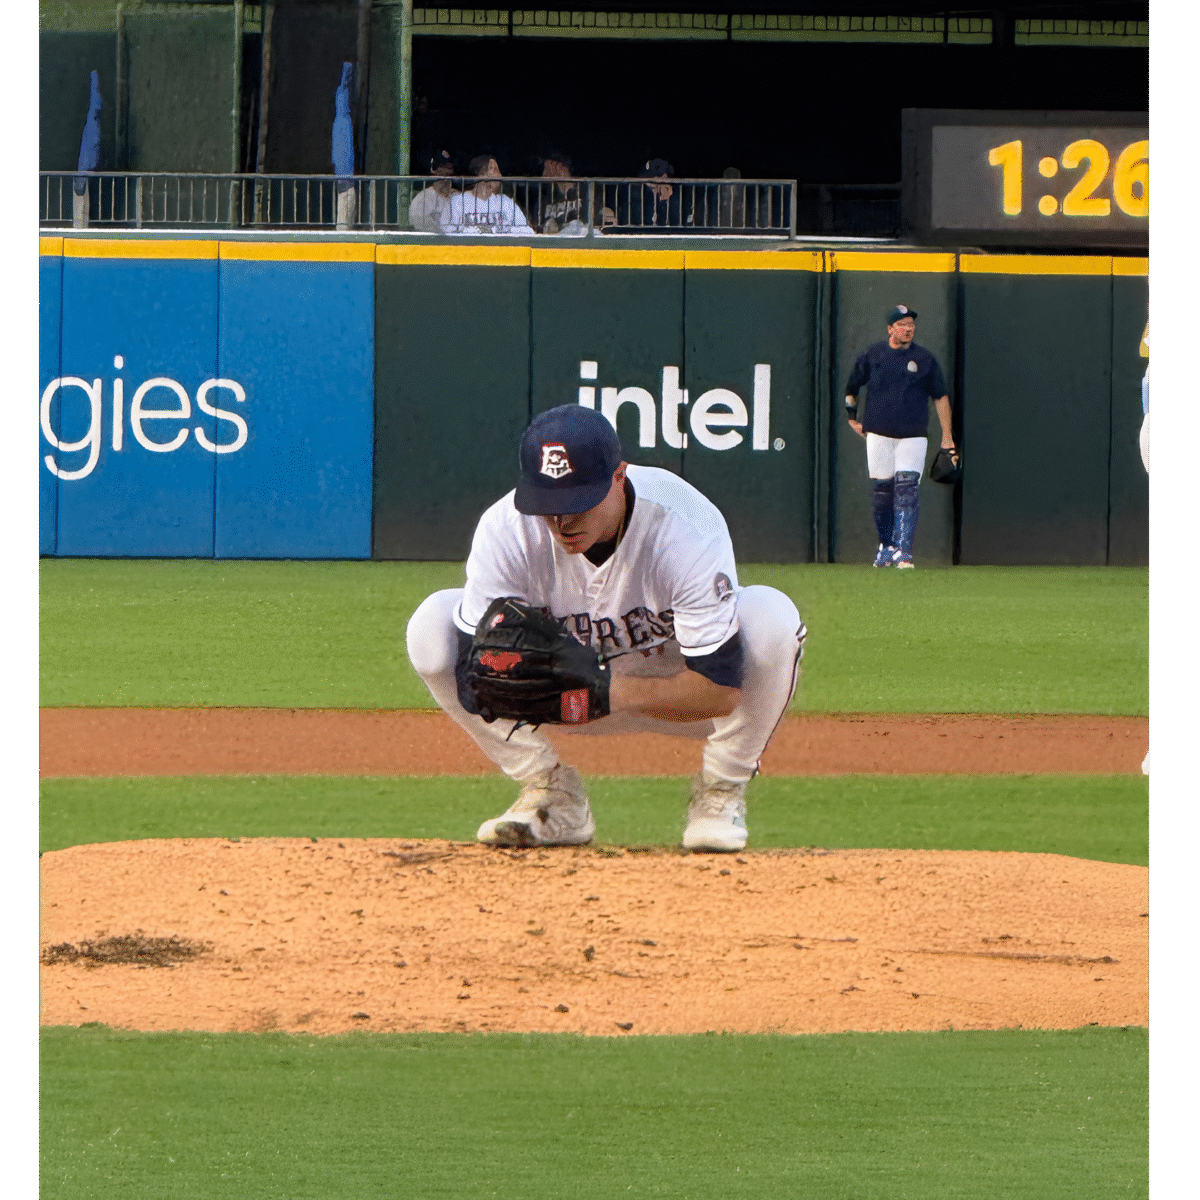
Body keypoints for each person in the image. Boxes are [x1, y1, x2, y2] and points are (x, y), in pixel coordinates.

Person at [405, 404, 807, 852]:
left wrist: (605, 687)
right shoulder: (506, 531)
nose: (562, 522)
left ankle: (720, 793)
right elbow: (472, 681)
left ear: (619, 476)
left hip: (685, 696)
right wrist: (524, 679)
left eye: (577, 503)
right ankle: (550, 795)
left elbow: (720, 691)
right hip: (567, 698)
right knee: (430, 628)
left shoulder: (684, 525)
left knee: (772, 616)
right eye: (548, 505)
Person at [844, 305, 957, 568]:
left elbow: (940, 397)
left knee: (907, 488)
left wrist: (947, 437)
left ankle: (904, 552)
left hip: (912, 434)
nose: (908, 329)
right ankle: (886, 547)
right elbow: (852, 387)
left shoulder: (924, 359)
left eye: (911, 325)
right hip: (879, 433)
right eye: (902, 325)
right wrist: (852, 417)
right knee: (882, 492)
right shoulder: (873, 355)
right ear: (890, 329)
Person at [439, 154, 533, 236]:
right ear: (481, 175)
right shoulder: (458, 202)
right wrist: (471, 232)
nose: (499, 176)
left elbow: (527, 231)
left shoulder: (506, 202)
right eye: (494, 170)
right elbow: (445, 231)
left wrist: (505, 231)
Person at [531, 152, 615, 236]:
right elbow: (537, 225)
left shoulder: (585, 189)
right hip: (559, 238)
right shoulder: (545, 198)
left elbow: (597, 214)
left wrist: (603, 214)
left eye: (547, 168)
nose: (544, 174)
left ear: (559, 167)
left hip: (582, 236)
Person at [617, 159, 689, 231]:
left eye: (649, 180)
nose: (644, 182)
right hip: (641, 233)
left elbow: (677, 222)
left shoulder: (677, 196)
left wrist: (665, 201)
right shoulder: (639, 193)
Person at [408, 150, 458, 234]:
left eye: (450, 166)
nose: (448, 168)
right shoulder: (423, 198)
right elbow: (420, 226)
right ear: (433, 170)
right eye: (443, 166)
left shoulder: (457, 196)